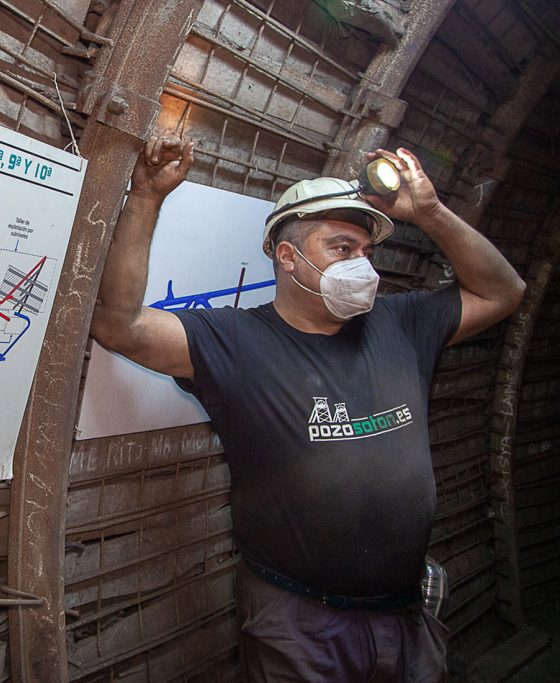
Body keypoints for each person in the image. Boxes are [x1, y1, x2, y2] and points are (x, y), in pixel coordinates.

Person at [90, 134, 526, 681]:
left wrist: (432, 213)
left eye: (367, 252)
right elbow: (119, 326)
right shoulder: (234, 341)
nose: (362, 266)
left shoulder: (401, 322)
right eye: (342, 249)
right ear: (288, 256)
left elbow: (504, 292)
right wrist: (147, 197)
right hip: (299, 619)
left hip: (406, 610)